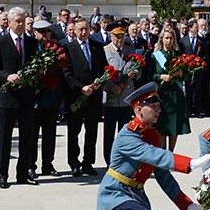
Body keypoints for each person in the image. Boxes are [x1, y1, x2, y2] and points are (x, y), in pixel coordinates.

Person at [90, 82, 210, 210]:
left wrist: (186, 205)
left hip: (137, 195)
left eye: (158, 106)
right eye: (153, 107)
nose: (158, 110)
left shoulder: (152, 134)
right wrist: (191, 163)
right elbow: (152, 154)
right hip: (115, 194)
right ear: (138, 110)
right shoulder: (127, 136)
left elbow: (163, 175)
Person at [0, 7, 37, 188]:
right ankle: (2, 174)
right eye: (17, 21)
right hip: (6, 97)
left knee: (27, 136)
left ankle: (23, 173)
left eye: (23, 21)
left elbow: (35, 67)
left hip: (26, 97)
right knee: (4, 138)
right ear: (9, 22)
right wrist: (7, 77)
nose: (21, 24)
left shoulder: (31, 43)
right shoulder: (0, 42)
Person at [64, 17, 106, 176]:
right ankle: (74, 163)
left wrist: (99, 80)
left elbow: (103, 68)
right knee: (74, 131)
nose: (83, 32)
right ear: (74, 31)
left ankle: (88, 162)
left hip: (94, 96)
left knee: (92, 131)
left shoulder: (97, 47)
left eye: (86, 29)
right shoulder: (68, 48)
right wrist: (81, 88)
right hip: (76, 96)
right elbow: (67, 74)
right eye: (80, 29)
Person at [102, 20, 145, 164]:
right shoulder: (106, 51)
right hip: (111, 98)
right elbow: (101, 73)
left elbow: (138, 68)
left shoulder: (129, 50)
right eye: (116, 36)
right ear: (111, 36)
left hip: (127, 97)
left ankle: (124, 159)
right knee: (109, 133)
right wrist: (109, 86)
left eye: (122, 36)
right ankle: (109, 160)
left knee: (125, 132)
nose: (120, 39)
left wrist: (135, 73)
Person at [30, 18, 65, 177]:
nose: (46, 35)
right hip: (36, 98)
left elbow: (62, 72)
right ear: (34, 32)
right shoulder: (30, 47)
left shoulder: (56, 49)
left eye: (48, 31)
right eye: (42, 31)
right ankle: (31, 164)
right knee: (33, 134)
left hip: (52, 96)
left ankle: (48, 164)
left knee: (50, 133)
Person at [150, 27, 191, 150]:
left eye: (171, 38)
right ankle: (162, 155)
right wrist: (160, 76)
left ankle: (171, 153)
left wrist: (181, 74)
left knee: (174, 127)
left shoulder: (179, 55)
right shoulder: (155, 56)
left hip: (176, 94)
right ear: (162, 39)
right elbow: (150, 75)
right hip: (162, 95)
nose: (169, 41)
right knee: (162, 126)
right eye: (166, 38)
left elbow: (187, 74)